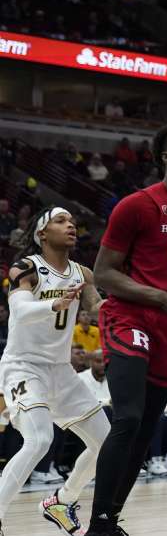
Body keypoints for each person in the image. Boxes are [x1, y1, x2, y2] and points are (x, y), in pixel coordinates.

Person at [85, 121, 167, 536]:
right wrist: (159, 297)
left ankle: (111, 517)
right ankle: (98, 525)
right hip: (128, 316)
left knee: (145, 430)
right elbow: (103, 274)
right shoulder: (136, 205)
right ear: (166, 156)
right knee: (126, 418)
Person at [0, 208, 112, 536]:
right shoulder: (27, 268)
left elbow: (97, 306)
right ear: (42, 233)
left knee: (107, 443)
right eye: (61, 221)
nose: (70, 225)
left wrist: (134, 301)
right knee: (38, 440)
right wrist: (54, 304)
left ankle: (62, 500)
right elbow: (18, 310)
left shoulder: (83, 273)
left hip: (61, 371)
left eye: (73, 222)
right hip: (23, 366)